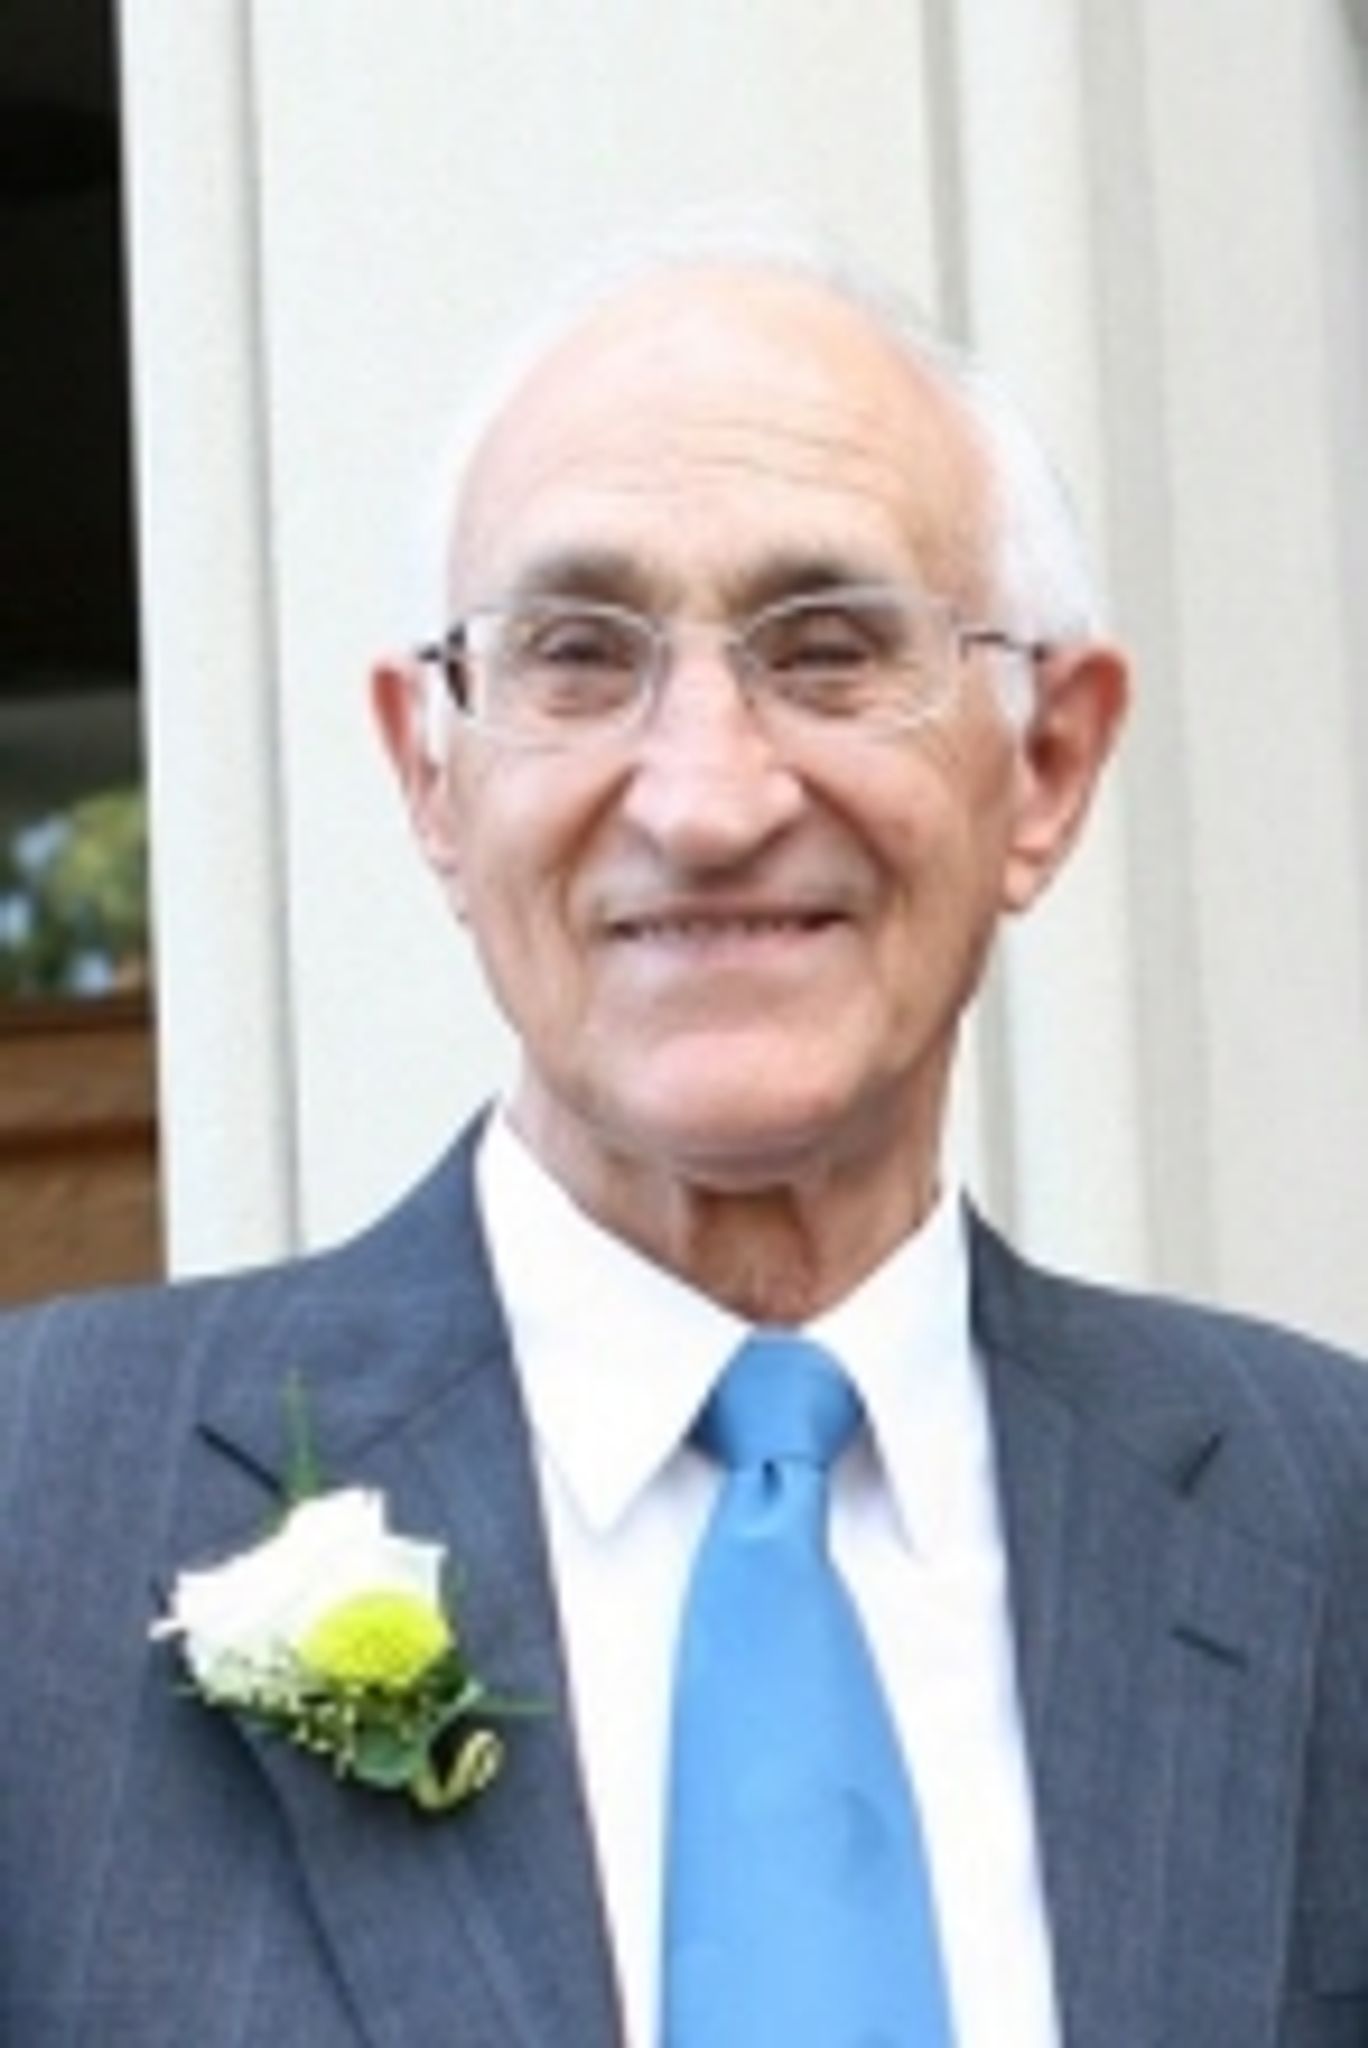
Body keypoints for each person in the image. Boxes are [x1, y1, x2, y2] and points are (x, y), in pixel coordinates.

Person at [5, 240, 1368, 2048]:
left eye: (831, 651)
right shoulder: (37, 1505)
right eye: (578, 658)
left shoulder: (1328, 1519)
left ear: (1044, 766)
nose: (709, 798)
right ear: (431, 774)